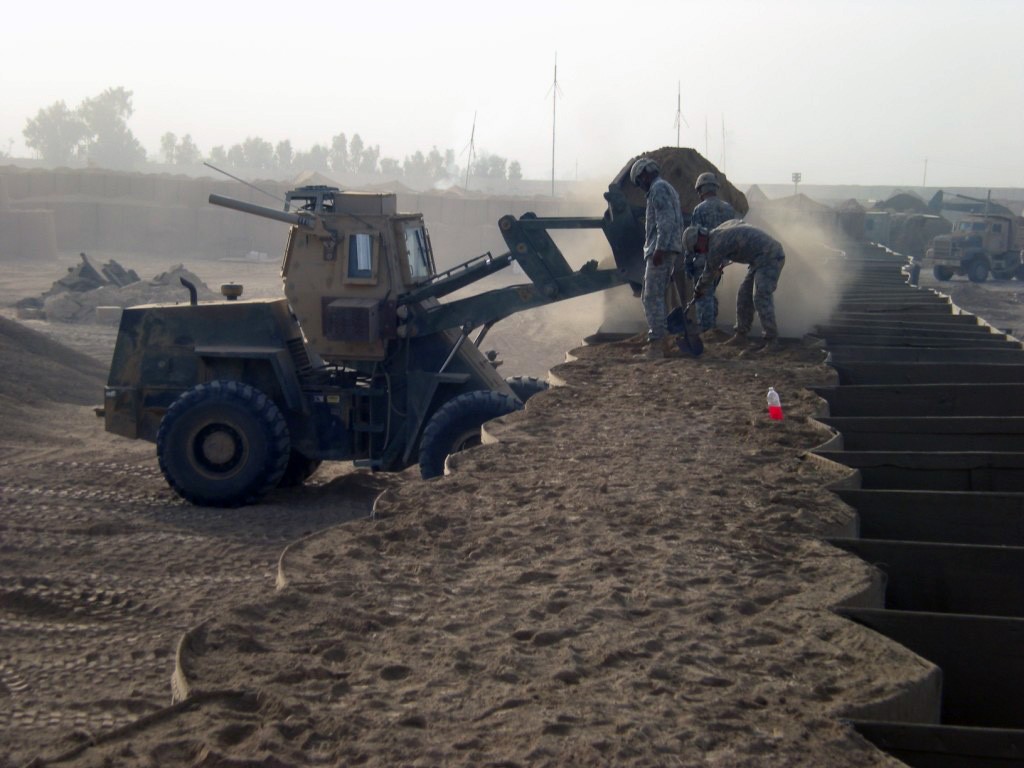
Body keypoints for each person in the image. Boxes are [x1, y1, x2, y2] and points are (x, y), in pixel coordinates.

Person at [684, 220, 785, 352]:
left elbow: (708, 273)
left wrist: (698, 290)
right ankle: (741, 335)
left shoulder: (716, 244)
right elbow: (737, 224)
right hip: (758, 259)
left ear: (700, 239)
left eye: (697, 249)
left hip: (771, 256)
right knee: (744, 295)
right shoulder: (718, 233)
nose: (700, 252)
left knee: (761, 296)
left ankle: (772, 341)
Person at [629, 157, 684, 359]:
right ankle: (662, 343)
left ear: (644, 173)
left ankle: (656, 346)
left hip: (661, 249)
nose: (640, 185)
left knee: (651, 296)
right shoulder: (667, 187)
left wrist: (659, 248)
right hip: (669, 248)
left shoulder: (658, 189)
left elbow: (665, 220)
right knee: (657, 296)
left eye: (639, 181)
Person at [688, 172, 736, 334]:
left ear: (701, 189)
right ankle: (712, 327)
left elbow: (693, 238)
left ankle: (706, 330)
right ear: (715, 188)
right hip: (722, 260)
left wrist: (689, 262)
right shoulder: (728, 209)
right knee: (711, 292)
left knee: (703, 295)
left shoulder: (699, 209)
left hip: (703, 259)